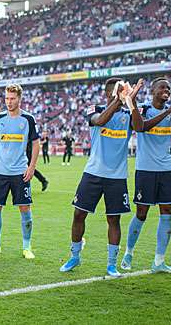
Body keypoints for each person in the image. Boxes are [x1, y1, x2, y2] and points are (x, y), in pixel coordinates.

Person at [60, 78, 144, 278]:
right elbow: (99, 121)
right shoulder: (94, 108)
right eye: (119, 92)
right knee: (79, 214)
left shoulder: (128, 113)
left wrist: (132, 103)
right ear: (110, 94)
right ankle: (75, 256)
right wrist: (117, 100)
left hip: (117, 177)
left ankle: (111, 264)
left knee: (113, 220)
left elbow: (140, 127)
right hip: (93, 173)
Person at [121, 78, 171, 274]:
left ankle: (159, 261)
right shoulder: (143, 108)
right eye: (162, 87)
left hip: (166, 169)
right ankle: (128, 253)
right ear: (153, 91)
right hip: (146, 170)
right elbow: (140, 127)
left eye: (168, 87)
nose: (166, 90)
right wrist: (168, 111)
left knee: (168, 211)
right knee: (142, 213)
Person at [0, 84, 39, 260]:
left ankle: (27, 247)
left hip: (20, 171)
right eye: (6, 98)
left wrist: (32, 166)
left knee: (25, 208)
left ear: (19, 99)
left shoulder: (28, 119)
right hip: (0, 171)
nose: (9, 102)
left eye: (12, 98)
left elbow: (35, 144)